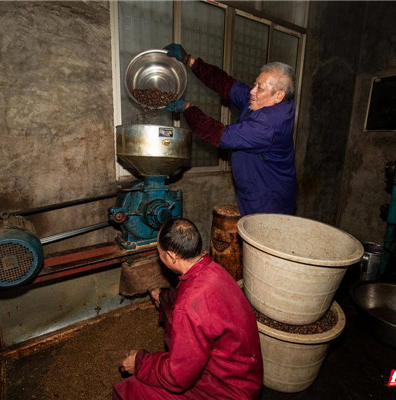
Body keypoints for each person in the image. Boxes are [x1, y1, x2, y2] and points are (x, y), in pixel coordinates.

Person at [113, 218, 262, 400]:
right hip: (243, 377)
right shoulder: (213, 270)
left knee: (129, 389)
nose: (159, 257)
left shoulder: (187, 309)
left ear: (171, 256)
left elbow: (177, 377)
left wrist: (139, 361)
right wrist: (162, 296)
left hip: (226, 391)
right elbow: (189, 295)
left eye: (159, 253)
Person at [164, 43, 296, 216]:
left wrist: (188, 109)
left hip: (268, 202)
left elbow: (221, 135)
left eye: (260, 88)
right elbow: (226, 85)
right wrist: (190, 61)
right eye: (255, 84)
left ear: (278, 95)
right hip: (252, 194)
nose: (252, 91)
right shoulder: (261, 101)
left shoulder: (269, 125)